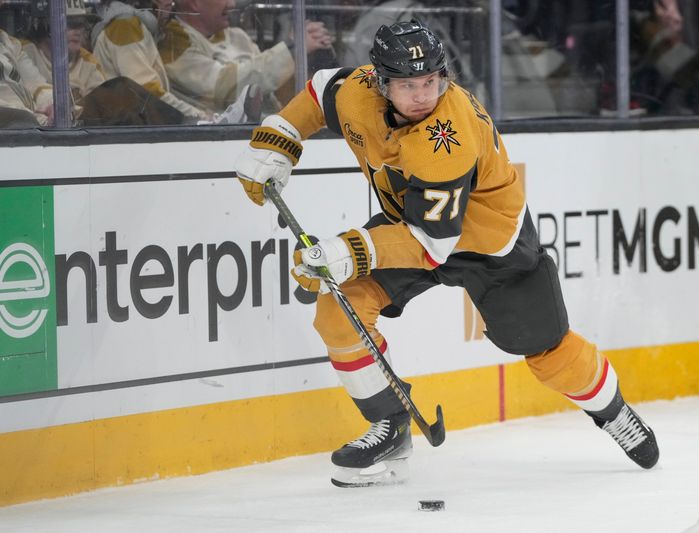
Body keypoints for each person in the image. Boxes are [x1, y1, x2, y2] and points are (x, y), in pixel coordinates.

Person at [234, 20, 659, 487]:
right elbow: (318, 92)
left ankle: (613, 412)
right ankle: (390, 430)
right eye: (409, 85)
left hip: (491, 244)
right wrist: (280, 137)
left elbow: (433, 244)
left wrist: (350, 250)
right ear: (379, 81)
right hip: (411, 224)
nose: (423, 95)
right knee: (340, 308)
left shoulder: (447, 138)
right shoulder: (357, 92)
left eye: (432, 82)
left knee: (548, 353)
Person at [158, 0, 333, 118]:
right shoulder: (172, 46)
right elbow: (228, 89)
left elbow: (269, 91)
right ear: (194, 3)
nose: (232, 4)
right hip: (222, 147)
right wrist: (294, 49)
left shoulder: (237, 36)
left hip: (268, 134)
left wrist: (311, 57)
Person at [91, 0, 210, 121]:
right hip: (130, 127)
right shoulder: (125, 26)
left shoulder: (131, 24)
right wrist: (199, 116)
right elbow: (147, 91)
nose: (170, 3)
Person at [22, 0, 107, 122]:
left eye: (82, 24)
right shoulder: (24, 53)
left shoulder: (89, 63)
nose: (78, 31)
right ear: (46, 26)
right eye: (71, 24)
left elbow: (102, 111)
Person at [0, 26, 53, 127]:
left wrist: (52, 104)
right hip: (10, 133)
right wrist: (32, 117)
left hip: (31, 129)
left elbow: (36, 83)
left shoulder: (9, 43)